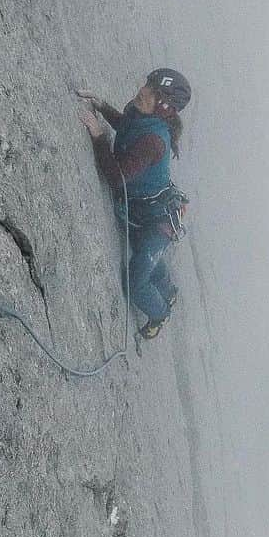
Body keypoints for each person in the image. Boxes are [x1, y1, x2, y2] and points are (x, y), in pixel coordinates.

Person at [77, 69, 192, 340]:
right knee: (144, 254)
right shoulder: (144, 116)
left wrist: (98, 136)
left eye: (154, 92)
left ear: (165, 106)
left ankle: (160, 313)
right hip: (150, 216)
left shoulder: (155, 141)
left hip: (158, 225)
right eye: (149, 85)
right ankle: (169, 290)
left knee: (134, 282)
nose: (144, 90)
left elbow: (117, 176)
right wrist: (102, 106)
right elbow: (128, 127)